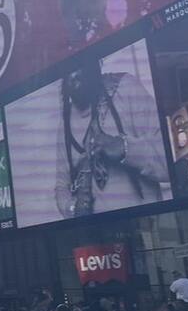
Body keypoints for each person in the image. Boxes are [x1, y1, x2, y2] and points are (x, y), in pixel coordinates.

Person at [56, 60, 170, 217]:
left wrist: (124, 148)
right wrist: (73, 208)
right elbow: (61, 186)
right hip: (100, 230)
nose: (74, 75)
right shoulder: (65, 123)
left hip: (148, 224)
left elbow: (169, 160)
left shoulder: (126, 88)